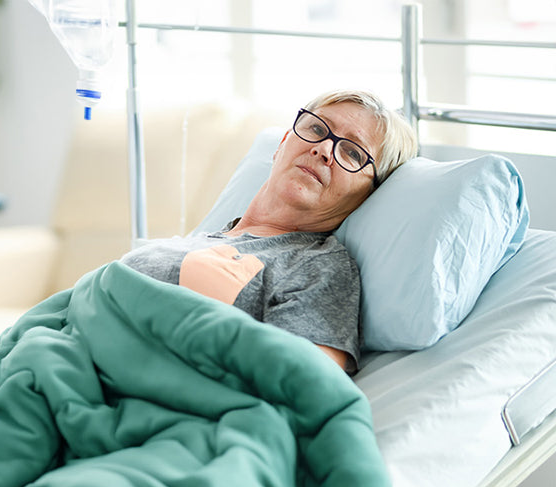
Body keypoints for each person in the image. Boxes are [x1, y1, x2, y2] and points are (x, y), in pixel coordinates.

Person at [122, 89, 418, 374]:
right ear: (282, 144)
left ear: (368, 194)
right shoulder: (200, 241)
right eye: (317, 128)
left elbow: (302, 381)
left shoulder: (315, 267)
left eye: (352, 152)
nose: (324, 149)